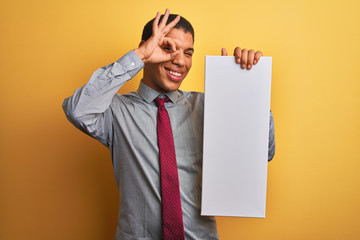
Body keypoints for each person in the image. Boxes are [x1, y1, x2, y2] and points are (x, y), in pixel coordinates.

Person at [63, 9, 275, 240]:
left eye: (188, 52)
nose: (180, 61)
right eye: (167, 48)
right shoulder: (115, 111)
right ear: (147, 47)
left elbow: (262, 152)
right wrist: (138, 57)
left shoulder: (208, 106)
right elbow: (78, 110)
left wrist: (249, 87)